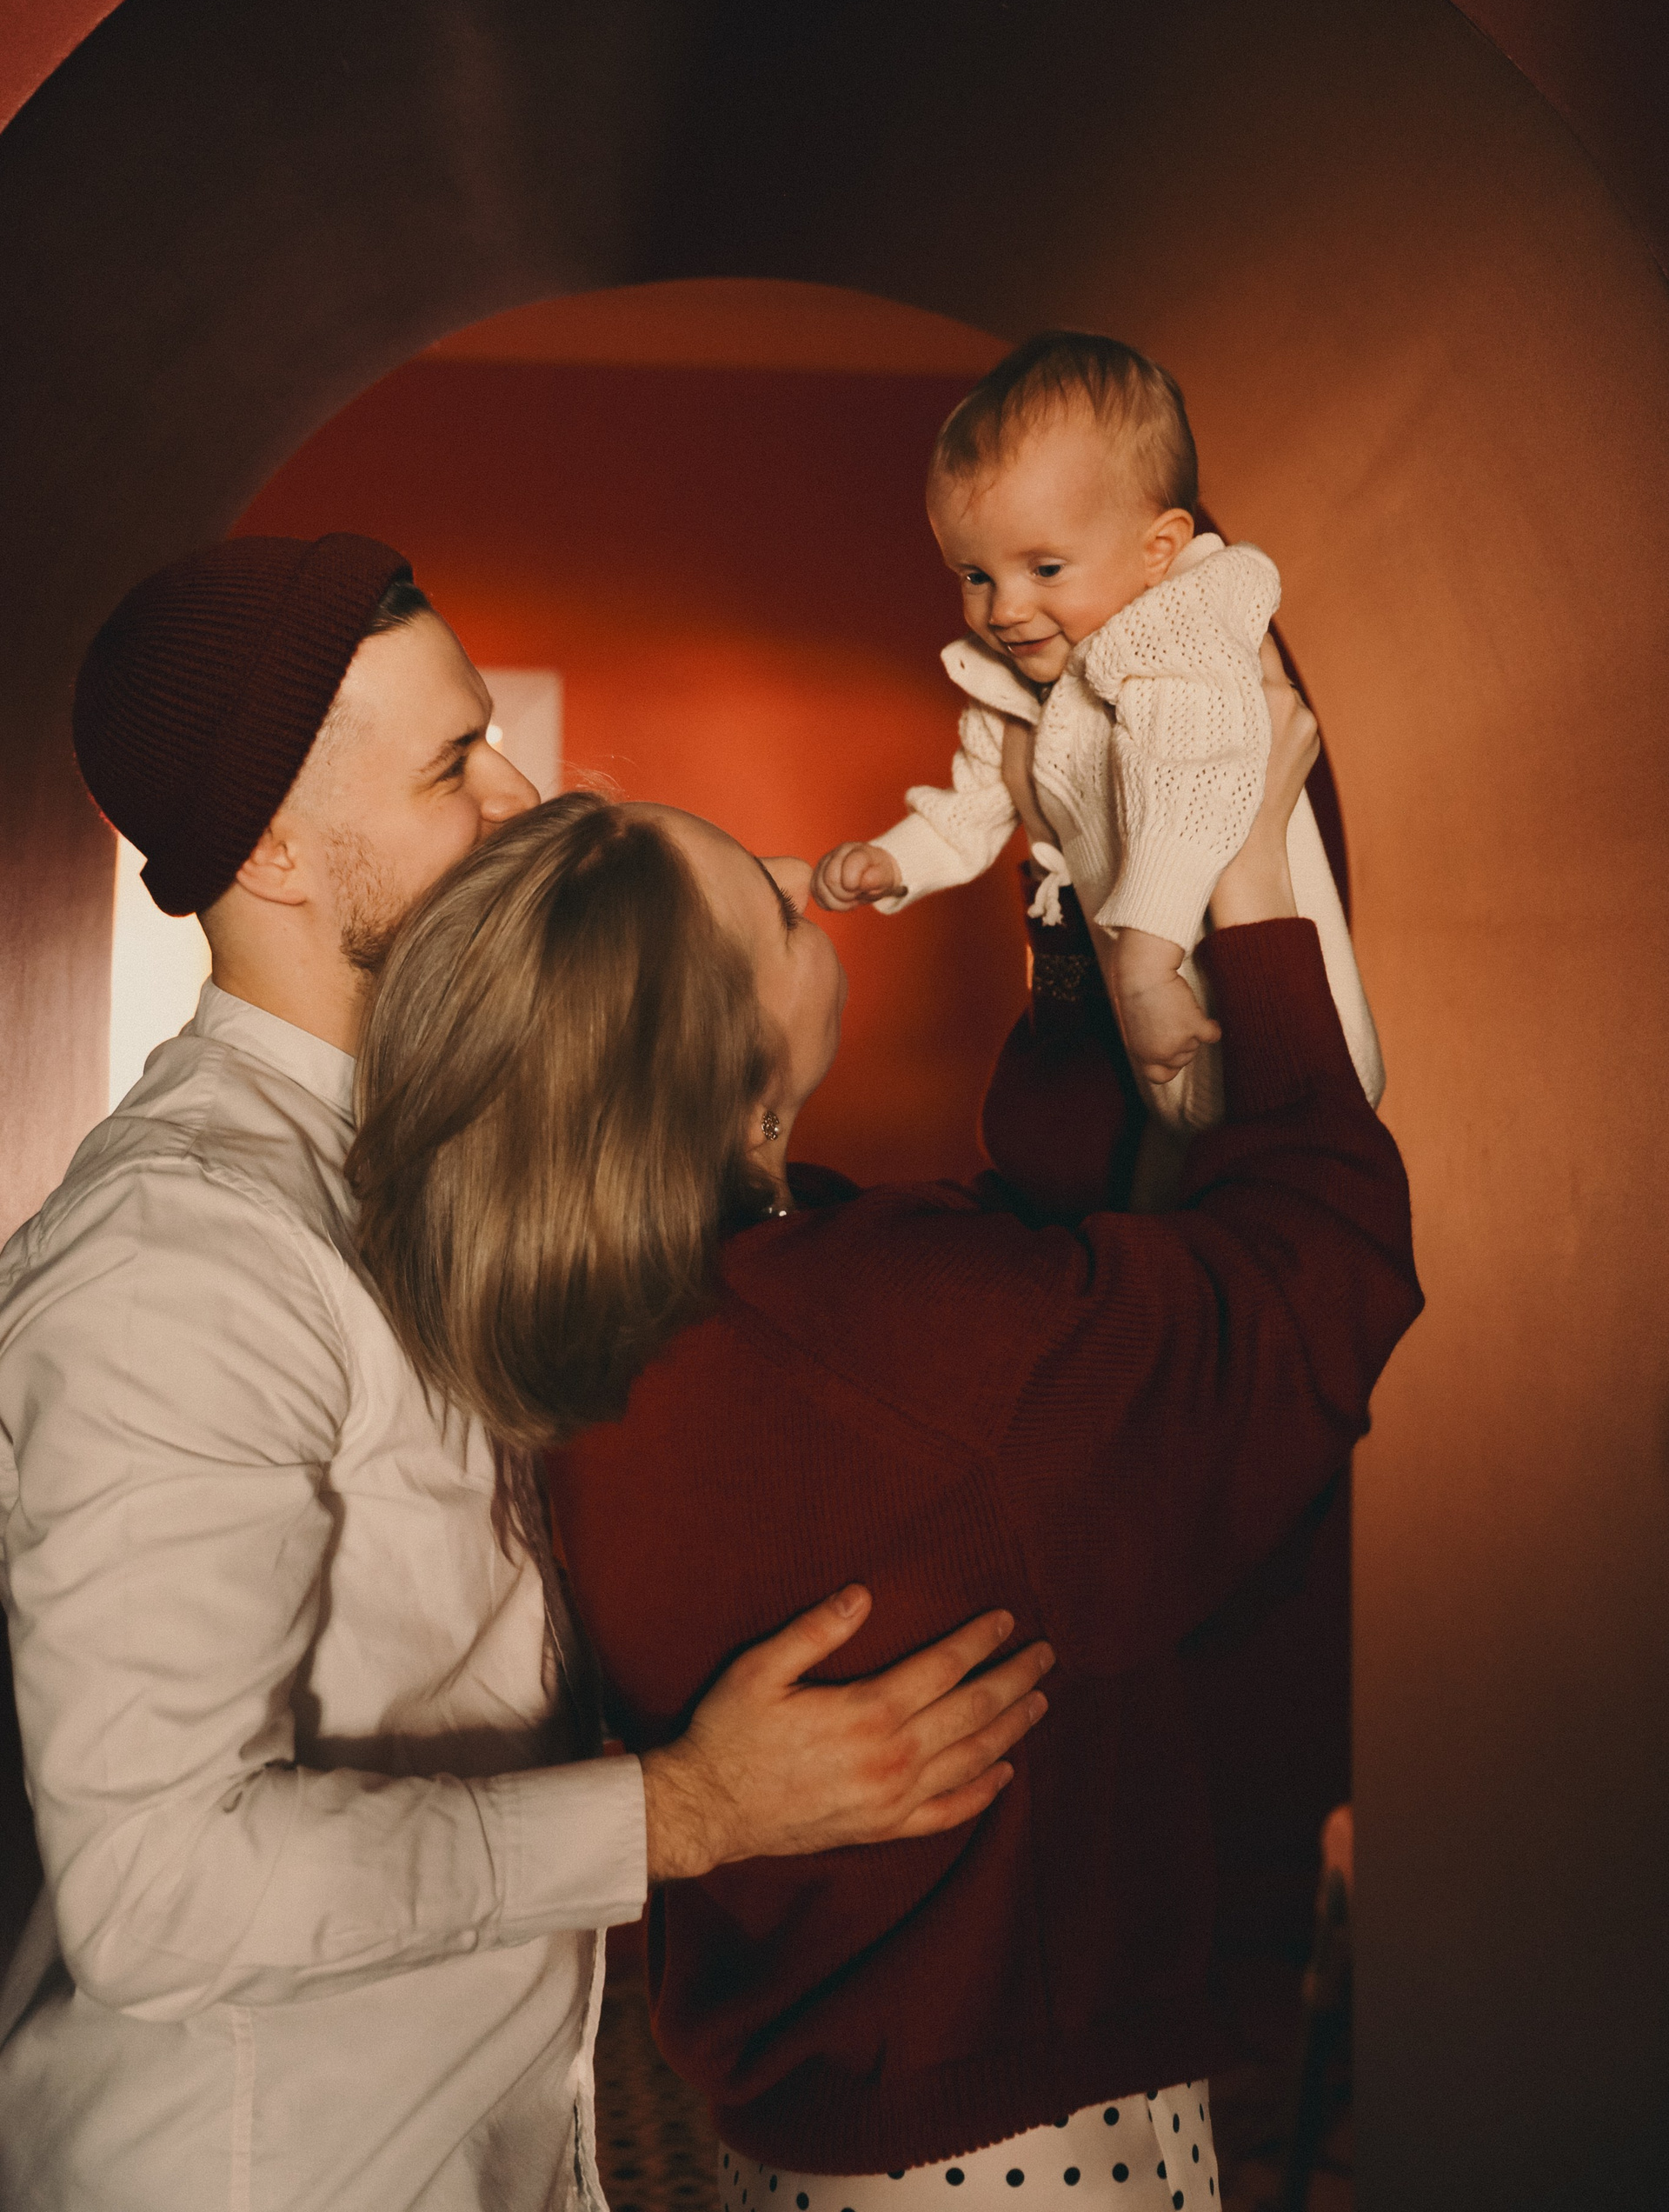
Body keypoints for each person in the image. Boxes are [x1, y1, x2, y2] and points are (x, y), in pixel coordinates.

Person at [0, 533, 1053, 2212]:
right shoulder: (176, 1263)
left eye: (490, 739)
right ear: (274, 852)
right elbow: (158, 1891)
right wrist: (685, 1813)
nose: (521, 793)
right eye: (452, 767)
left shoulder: (467, 1154)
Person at [349, 647, 1422, 2199]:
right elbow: (1319, 1276)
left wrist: (1079, 899)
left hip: (801, 2124)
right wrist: (1252, 876)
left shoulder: (638, 1328)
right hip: (1018, 2141)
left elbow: (1046, 1257)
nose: (808, 883)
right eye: (773, 909)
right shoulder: (882, 1326)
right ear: (740, 1080)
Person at [811, 332, 1383, 1134]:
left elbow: (1192, 785)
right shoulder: (1020, 677)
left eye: (1044, 569)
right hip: (1155, 1036)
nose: (1004, 609)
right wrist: (895, 860)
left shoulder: (1180, 628)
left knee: (1249, 1145)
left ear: (1158, 551)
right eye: (975, 575)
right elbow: (977, 803)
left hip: (1269, 1013)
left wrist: (1147, 966)